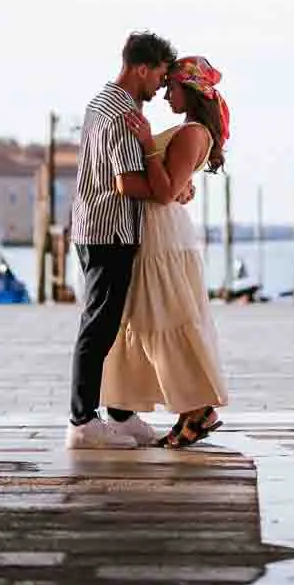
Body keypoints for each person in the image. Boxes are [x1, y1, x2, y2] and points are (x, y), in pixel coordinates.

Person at [102, 54, 231, 448]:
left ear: (189, 90)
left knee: (165, 316)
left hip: (162, 235)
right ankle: (190, 409)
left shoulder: (192, 131)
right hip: (158, 231)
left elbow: (165, 191)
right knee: (154, 317)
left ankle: (198, 408)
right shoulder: (188, 129)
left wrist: (146, 147)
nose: (165, 94)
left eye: (171, 87)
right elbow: (175, 186)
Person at [63, 31, 180, 450]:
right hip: (107, 230)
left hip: (96, 227)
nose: (161, 86)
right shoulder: (123, 114)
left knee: (115, 323)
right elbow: (128, 182)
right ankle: (82, 420)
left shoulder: (101, 102)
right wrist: (171, 190)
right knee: (99, 323)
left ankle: (117, 410)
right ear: (141, 68)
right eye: (160, 76)